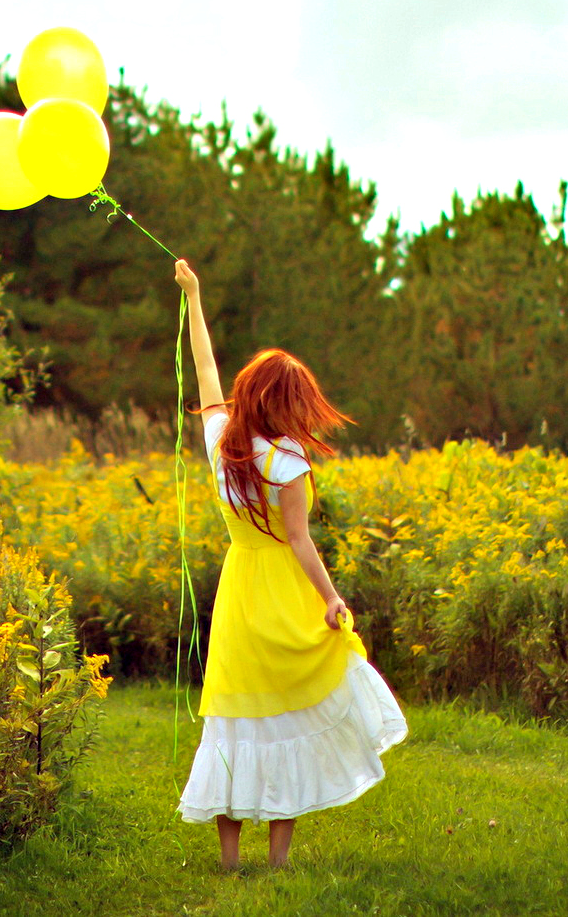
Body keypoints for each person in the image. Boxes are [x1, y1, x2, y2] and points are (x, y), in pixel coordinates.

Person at [172, 258, 407, 871]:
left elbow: (204, 368)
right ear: (287, 404)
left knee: (232, 720)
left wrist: (194, 297)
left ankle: (230, 861)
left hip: (238, 587)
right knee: (290, 717)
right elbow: (300, 541)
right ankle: (277, 862)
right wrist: (330, 598)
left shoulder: (221, 442)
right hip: (281, 588)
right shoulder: (289, 460)